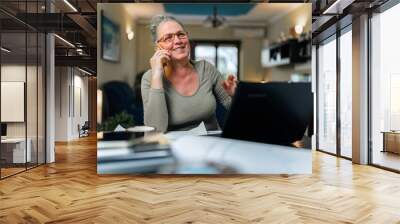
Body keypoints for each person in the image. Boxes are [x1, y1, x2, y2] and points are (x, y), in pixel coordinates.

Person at [141, 15, 237, 132]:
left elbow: (237, 111)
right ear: (158, 47)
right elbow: (155, 130)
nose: (177, 41)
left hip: (211, 143)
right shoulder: (149, 78)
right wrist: (157, 74)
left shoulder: (206, 68)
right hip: (174, 146)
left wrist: (235, 96)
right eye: (168, 38)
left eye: (181, 34)